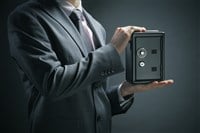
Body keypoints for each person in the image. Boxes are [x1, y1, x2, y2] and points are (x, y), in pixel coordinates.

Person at [7, 0, 174, 133]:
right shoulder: (27, 16)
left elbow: (90, 98)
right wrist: (112, 50)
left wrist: (124, 91)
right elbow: (51, 83)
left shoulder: (96, 26)